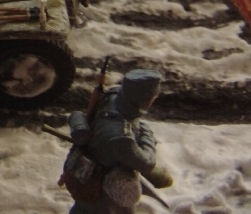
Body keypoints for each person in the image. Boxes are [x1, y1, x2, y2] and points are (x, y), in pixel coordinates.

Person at [67, 69, 173, 214]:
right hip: (102, 184)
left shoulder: (111, 96)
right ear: (145, 100)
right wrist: (147, 134)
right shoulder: (122, 139)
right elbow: (147, 163)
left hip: (86, 170)